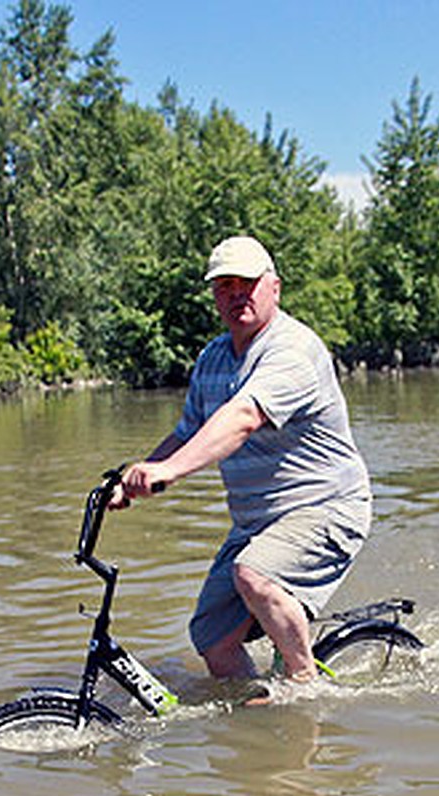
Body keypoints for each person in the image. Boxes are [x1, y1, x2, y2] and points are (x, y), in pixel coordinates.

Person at [112, 235, 371, 685]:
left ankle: (304, 689)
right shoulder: (212, 358)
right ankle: (251, 717)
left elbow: (244, 417)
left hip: (326, 509)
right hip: (256, 523)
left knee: (254, 574)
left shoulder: (292, 350)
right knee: (211, 638)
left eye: (246, 283)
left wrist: (169, 471)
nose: (236, 295)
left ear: (274, 287)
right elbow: (187, 432)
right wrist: (130, 479)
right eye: (224, 286)